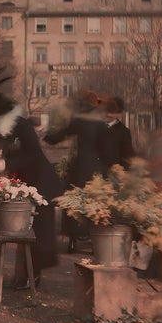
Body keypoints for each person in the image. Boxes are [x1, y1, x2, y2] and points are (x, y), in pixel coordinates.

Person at [0, 67, 63, 283]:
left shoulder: (21, 125)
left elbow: (34, 154)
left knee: (37, 234)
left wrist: (6, 162)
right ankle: (23, 276)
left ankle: (31, 277)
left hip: (40, 183)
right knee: (23, 232)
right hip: (22, 186)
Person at [45, 90, 114, 251]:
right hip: (97, 168)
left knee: (73, 201)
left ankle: (72, 239)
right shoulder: (102, 124)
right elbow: (108, 150)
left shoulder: (79, 121)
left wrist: (47, 136)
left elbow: (57, 137)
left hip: (80, 166)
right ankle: (94, 239)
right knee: (96, 202)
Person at [104, 97, 136, 169]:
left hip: (112, 175)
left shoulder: (124, 132)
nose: (108, 114)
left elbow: (127, 157)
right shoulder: (97, 127)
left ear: (119, 114)